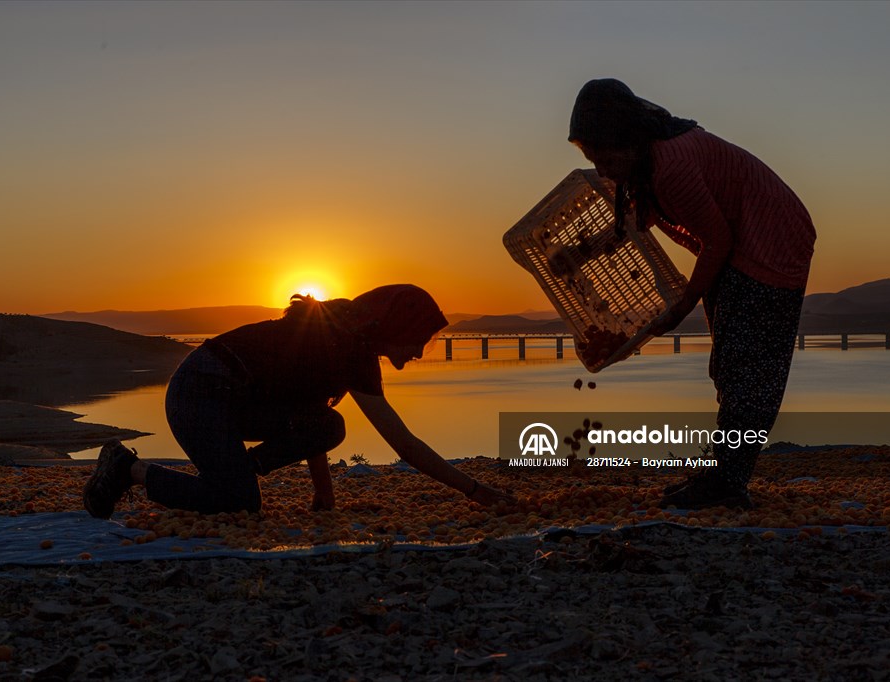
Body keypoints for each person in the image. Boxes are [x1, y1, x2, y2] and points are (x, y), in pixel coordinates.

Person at [568, 78, 816, 509]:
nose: (603, 169)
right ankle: (724, 473)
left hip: (770, 241)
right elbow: (623, 225)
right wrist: (575, 254)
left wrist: (682, 307)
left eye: (607, 158)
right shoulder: (643, 164)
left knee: (749, 371)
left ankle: (728, 483)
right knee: (728, 367)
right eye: (593, 159)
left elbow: (716, 239)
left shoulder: (670, 166)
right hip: (740, 244)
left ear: (629, 141)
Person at [83, 284, 515, 518]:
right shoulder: (346, 346)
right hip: (199, 392)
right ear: (394, 328)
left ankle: (239, 470)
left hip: (235, 401)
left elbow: (311, 419)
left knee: (330, 426)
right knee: (238, 503)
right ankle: (127, 468)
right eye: (418, 341)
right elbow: (403, 443)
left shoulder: (346, 338)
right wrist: (477, 491)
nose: (420, 352)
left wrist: (324, 497)